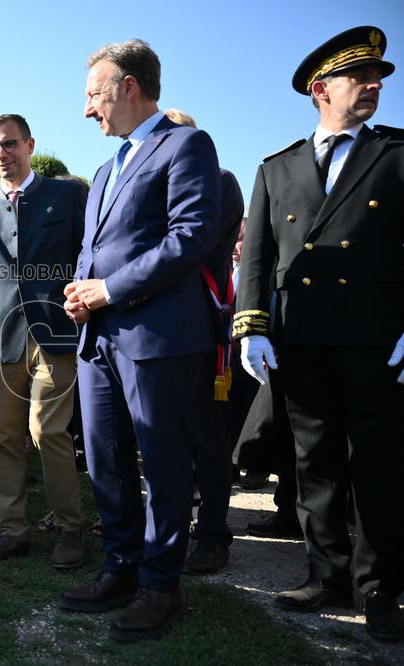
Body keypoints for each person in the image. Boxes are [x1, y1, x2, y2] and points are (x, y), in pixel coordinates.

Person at [234, 26, 404, 641]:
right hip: (300, 338)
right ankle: (326, 574)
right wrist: (252, 328)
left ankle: (380, 589)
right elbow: (257, 256)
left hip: (374, 340)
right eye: (359, 76)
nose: (373, 85)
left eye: (378, 77)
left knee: (377, 466)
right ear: (320, 89)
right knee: (314, 464)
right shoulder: (277, 166)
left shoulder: (395, 153)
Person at [59, 40, 223, 643]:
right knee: (105, 458)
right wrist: (81, 291)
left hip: (158, 338)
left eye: (93, 95)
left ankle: (160, 586)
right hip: (99, 338)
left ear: (129, 87)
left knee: (163, 462)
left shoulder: (185, 145)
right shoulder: (106, 169)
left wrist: (108, 289)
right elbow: (95, 248)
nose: (86, 110)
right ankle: (121, 568)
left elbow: (190, 236)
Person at [0, 114, 86, 570]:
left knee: (48, 431)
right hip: (1, 341)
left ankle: (70, 529)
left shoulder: (68, 195)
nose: (1, 154)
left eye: (9, 144)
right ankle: (11, 532)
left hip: (58, 332)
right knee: (8, 439)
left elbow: (88, 257)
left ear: (30, 145)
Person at [161, 108, 245, 576]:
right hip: (157, 325)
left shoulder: (221, 180)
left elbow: (191, 243)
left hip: (200, 320)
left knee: (208, 438)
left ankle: (212, 534)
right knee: (163, 436)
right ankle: (168, 527)